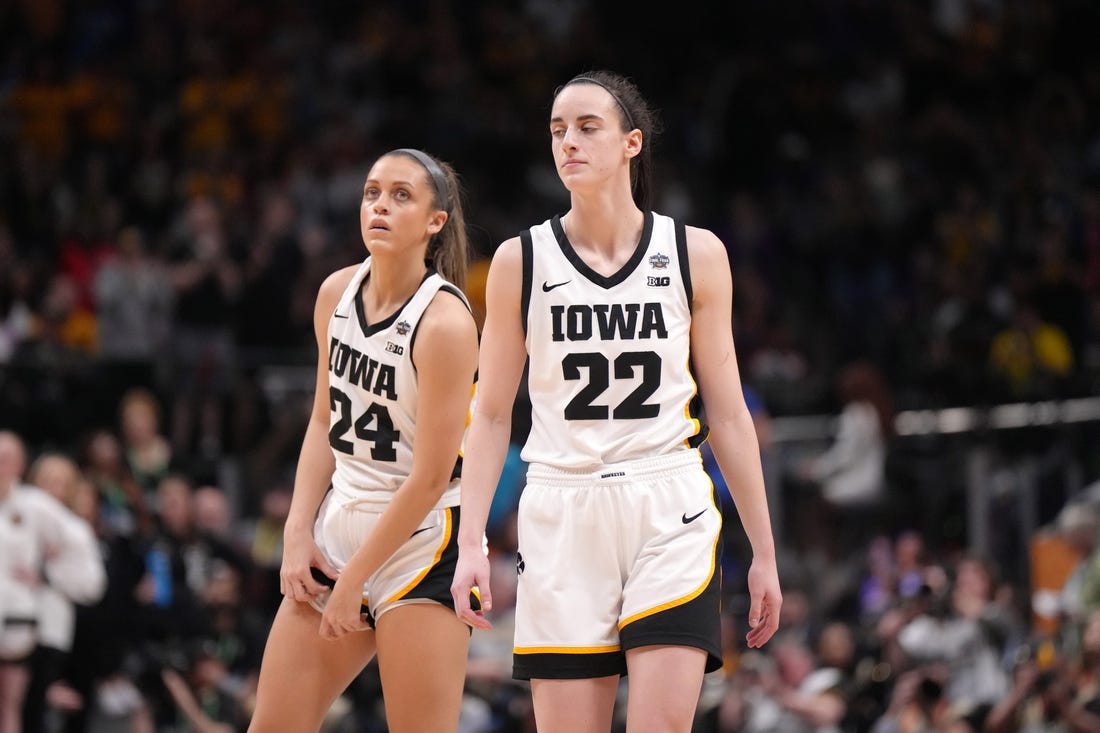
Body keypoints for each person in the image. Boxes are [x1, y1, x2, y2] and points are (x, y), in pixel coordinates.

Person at [451, 70, 782, 732]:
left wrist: (766, 553)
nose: (567, 141)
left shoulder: (695, 254)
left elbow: (730, 416)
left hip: (668, 503)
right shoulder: (523, 260)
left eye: (586, 126)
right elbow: (488, 414)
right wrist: (469, 540)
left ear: (633, 143)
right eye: (556, 130)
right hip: (560, 508)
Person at [247, 148, 479, 733]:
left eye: (401, 195)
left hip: (418, 543)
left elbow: (430, 477)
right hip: (339, 525)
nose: (380, 205)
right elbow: (324, 421)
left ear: (435, 222)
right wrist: (297, 531)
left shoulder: (446, 322)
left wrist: (356, 581)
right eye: (373, 192)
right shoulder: (335, 293)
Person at [0, 431, 107, 733]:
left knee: (23, 708)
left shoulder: (38, 509)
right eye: (48, 481)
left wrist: (48, 574)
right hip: (12, 624)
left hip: (37, 630)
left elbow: (91, 579)